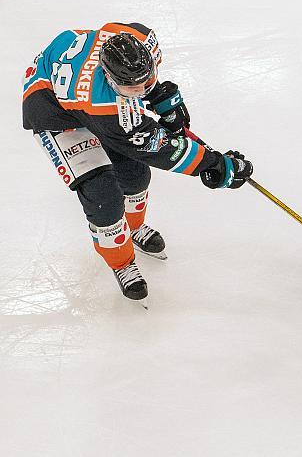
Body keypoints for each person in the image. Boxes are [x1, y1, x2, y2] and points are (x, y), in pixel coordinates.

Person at [22, 22, 253, 301]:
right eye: (133, 88)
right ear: (110, 78)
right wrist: (214, 164)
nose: (142, 89)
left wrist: (157, 95)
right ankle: (122, 262)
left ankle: (133, 227)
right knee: (103, 197)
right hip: (52, 112)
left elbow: (140, 99)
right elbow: (159, 148)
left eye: (147, 79)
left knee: (135, 175)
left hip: (80, 84)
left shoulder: (142, 39)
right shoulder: (105, 106)